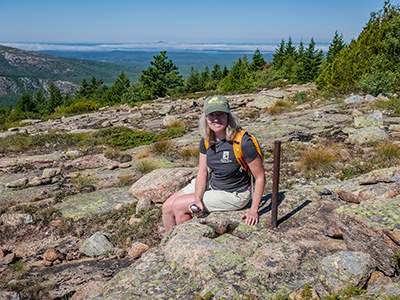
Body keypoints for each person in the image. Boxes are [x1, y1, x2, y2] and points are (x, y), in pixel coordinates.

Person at [162, 95, 265, 232]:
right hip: (214, 184)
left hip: (234, 193)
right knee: (167, 207)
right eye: (211, 115)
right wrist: (197, 198)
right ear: (205, 118)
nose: (215, 119)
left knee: (179, 206)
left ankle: (186, 243)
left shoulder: (243, 142)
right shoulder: (206, 140)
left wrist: (253, 210)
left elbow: (260, 177)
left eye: (220, 114)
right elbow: (202, 173)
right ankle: (170, 243)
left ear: (228, 116)